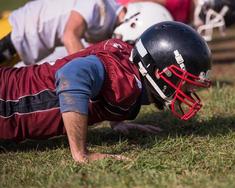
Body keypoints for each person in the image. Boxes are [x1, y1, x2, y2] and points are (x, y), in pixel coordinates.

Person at [0, 21, 212, 163]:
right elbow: (71, 75)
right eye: (187, 80)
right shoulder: (125, 79)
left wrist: (118, 119)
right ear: (158, 71)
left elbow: (102, 81)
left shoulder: (128, 61)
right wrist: (81, 154)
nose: (190, 88)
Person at [0, 0, 125, 65]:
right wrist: (91, 73)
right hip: (14, 33)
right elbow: (69, 36)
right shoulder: (98, 3)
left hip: (22, 43)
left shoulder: (111, 12)